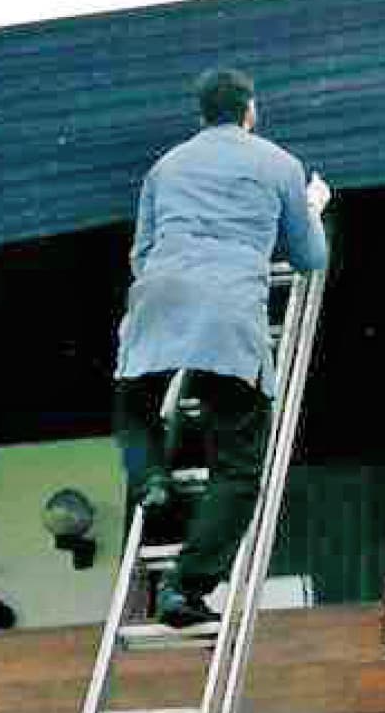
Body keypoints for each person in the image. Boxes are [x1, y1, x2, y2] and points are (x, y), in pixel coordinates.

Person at [112, 68, 331, 627]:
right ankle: (184, 588)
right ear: (250, 110)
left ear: (200, 113)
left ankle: (151, 479)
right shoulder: (279, 164)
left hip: (158, 301)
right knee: (236, 469)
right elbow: (309, 259)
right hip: (229, 318)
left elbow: (141, 253)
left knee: (133, 406)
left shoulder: (166, 166)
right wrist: (312, 208)